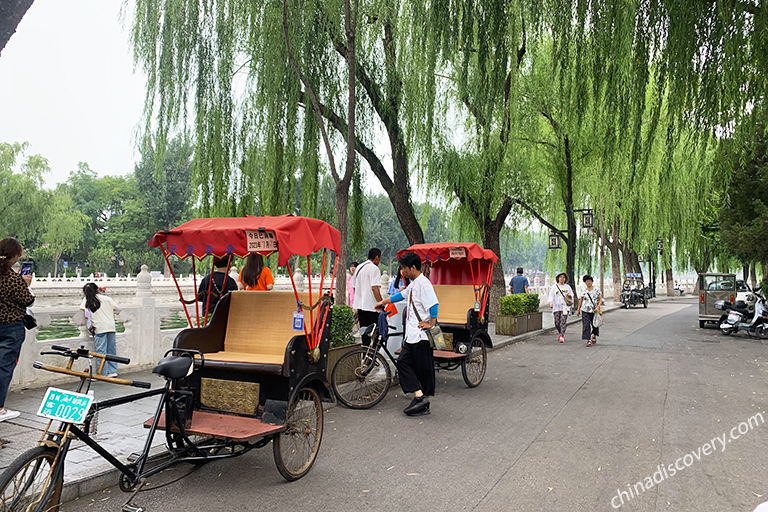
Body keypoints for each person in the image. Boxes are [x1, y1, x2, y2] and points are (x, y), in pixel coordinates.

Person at [376, 252, 439, 416]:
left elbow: (434, 305)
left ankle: (423, 401)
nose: (402, 271)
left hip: (421, 335)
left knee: (424, 370)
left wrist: (431, 322)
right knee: (403, 362)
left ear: (413, 267)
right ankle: (420, 397)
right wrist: (384, 301)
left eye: (404, 267)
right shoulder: (413, 284)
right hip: (412, 335)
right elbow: (401, 295)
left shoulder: (423, 284)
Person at [0, 238, 34, 422]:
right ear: (12, 256)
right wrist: (26, 285)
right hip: (11, 328)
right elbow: (27, 300)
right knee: (4, 367)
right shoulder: (13, 279)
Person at [80, 283, 120, 377]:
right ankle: (112, 370)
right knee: (111, 350)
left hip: (99, 327)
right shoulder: (107, 298)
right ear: (97, 289)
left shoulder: (87, 300)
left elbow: (86, 314)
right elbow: (116, 307)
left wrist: (90, 327)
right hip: (110, 326)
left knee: (101, 351)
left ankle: (102, 372)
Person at [353, 248, 383, 347]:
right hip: (372, 307)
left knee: (365, 334)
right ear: (377, 257)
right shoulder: (374, 268)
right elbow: (374, 288)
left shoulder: (359, 268)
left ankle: (366, 358)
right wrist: (381, 302)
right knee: (375, 335)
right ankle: (373, 357)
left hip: (361, 307)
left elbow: (354, 288)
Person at [577, 275, 604, 347]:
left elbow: (600, 299)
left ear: (592, 282)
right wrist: (578, 309)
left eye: (589, 281)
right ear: (585, 283)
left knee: (594, 324)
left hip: (594, 310)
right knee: (586, 325)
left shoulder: (596, 290)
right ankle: (588, 339)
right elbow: (581, 300)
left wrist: (598, 307)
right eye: (587, 281)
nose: (588, 283)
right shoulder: (583, 290)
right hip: (585, 309)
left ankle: (594, 335)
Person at [547, 272, 573, 343]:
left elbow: (571, 295)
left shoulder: (567, 287)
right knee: (557, 322)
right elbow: (551, 296)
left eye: (564, 277)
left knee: (563, 321)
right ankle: (559, 332)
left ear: (565, 279)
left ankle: (562, 335)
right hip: (556, 307)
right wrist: (551, 302)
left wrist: (569, 296)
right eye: (560, 277)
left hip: (565, 307)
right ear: (558, 278)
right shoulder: (554, 287)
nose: (562, 279)